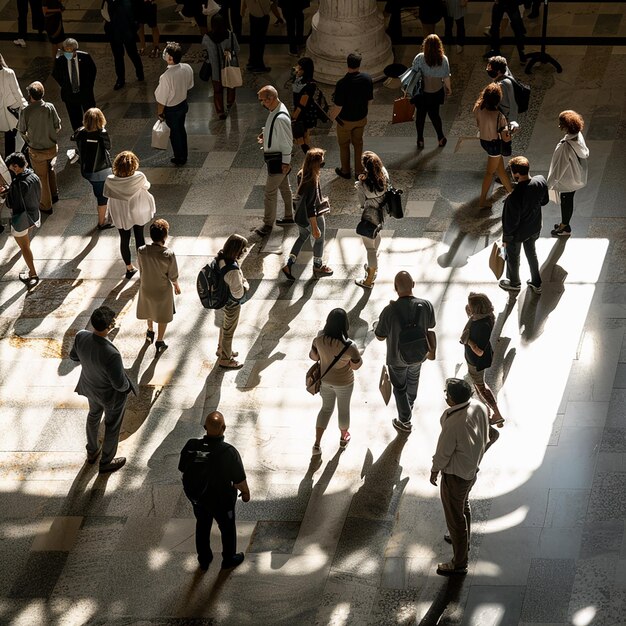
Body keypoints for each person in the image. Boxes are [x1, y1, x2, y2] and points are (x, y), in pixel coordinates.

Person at [430, 378, 489, 576]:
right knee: (463, 505)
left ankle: (459, 562)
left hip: (456, 475)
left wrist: (434, 470)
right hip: (471, 469)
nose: (445, 395)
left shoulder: (454, 422)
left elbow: (443, 452)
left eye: (447, 393)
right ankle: (464, 540)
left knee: (455, 518)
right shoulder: (479, 407)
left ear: (453, 400)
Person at [178, 410, 250, 571]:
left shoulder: (191, 446)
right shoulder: (229, 452)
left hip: (198, 499)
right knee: (227, 529)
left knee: (202, 525)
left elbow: (182, 468)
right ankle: (229, 558)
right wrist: (245, 493)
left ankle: (204, 559)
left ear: (204, 427)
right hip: (222, 501)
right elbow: (239, 481)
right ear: (224, 428)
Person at [70, 306, 135, 474]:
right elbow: (119, 384)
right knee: (112, 425)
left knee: (93, 416)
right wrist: (128, 388)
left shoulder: (81, 336)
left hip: (90, 387)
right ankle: (106, 461)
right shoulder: (111, 353)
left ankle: (92, 451)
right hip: (110, 396)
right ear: (109, 326)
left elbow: (73, 356)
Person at [375, 271, 436, 432]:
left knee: (399, 388)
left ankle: (405, 420)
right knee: (413, 381)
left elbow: (380, 336)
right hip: (419, 355)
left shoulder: (389, 311)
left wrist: (377, 326)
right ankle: (409, 404)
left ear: (395, 288)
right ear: (413, 284)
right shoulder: (426, 305)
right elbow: (431, 325)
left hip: (396, 359)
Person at [309, 309, 362, 455]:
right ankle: (343, 437)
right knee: (343, 409)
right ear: (345, 324)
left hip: (325, 381)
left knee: (326, 409)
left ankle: (317, 444)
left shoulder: (318, 340)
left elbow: (313, 357)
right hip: (344, 382)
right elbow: (356, 366)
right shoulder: (350, 346)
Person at [281, 148, 333, 280]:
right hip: (313, 216)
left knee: (302, 237)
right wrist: (315, 227)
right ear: (314, 164)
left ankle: (289, 264)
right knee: (320, 240)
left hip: (300, 215)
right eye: (320, 164)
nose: (321, 167)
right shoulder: (311, 181)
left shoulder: (301, 174)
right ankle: (318, 266)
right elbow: (311, 208)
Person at [500, 156, 548, 294]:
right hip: (535, 227)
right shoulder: (540, 181)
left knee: (513, 257)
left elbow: (511, 222)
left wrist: (506, 239)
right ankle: (536, 282)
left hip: (518, 233)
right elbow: (544, 201)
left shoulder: (514, 197)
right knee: (531, 253)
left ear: (516, 174)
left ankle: (514, 283)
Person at [103, 151, 156, 279]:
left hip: (120, 211)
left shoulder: (110, 180)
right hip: (137, 209)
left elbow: (106, 193)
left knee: (124, 239)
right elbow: (147, 186)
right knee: (139, 237)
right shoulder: (139, 177)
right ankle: (143, 267)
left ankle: (129, 267)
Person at [460, 292, 505, 427]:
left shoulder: (481, 326)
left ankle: (496, 413)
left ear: (477, 309)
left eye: (470, 307)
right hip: (477, 360)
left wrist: (467, 340)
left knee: (481, 387)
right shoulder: (486, 317)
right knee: (479, 385)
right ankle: (490, 410)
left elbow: (479, 351)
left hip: (475, 361)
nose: (468, 308)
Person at [137, 219, 180, 355]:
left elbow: (141, 268)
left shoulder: (142, 251)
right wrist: (176, 286)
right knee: (162, 314)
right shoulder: (168, 254)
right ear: (165, 236)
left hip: (146, 286)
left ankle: (150, 330)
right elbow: (173, 275)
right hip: (162, 290)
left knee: (149, 308)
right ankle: (160, 341)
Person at [255, 85, 294, 237]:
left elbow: (287, 142)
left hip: (278, 161)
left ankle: (267, 224)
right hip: (277, 159)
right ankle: (289, 216)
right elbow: (275, 131)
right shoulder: (276, 109)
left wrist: (285, 162)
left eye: (262, 100)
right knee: (285, 188)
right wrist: (266, 135)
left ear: (270, 99)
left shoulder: (281, 117)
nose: (261, 103)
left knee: (269, 193)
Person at [17, 81, 61, 214]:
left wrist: (29, 141)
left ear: (30, 95)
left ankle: (46, 205)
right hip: (52, 147)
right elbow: (57, 125)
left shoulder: (26, 111)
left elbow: (21, 130)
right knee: (51, 169)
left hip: (37, 151)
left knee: (42, 176)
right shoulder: (50, 107)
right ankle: (54, 194)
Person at [547, 110, 590, 238]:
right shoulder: (578, 135)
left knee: (566, 203)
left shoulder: (566, 145)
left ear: (567, 126)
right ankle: (563, 224)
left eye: (561, 123)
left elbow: (559, 169)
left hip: (567, 179)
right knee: (568, 200)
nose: (559, 126)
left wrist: (548, 186)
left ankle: (565, 227)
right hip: (576, 176)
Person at [0, 152, 41, 286]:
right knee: (26, 243)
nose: (11, 170)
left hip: (22, 219)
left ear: (16, 166)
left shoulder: (18, 183)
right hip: (34, 214)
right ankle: (31, 270)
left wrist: (7, 192)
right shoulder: (33, 175)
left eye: (11, 167)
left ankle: (33, 273)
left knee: (24, 247)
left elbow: (11, 204)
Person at [406, 34, 452, 150]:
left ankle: (420, 139)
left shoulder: (419, 57)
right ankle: (440, 138)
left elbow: (413, 73)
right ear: (439, 46)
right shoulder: (443, 59)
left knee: (420, 116)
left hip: (422, 93)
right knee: (435, 115)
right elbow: (446, 77)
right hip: (436, 92)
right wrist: (449, 88)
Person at [332, 53, 373, 179]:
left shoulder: (342, 83)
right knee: (358, 144)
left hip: (345, 121)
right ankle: (358, 171)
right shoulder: (367, 79)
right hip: (361, 119)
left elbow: (338, 107)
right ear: (359, 64)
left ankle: (345, 171)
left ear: (347, 64)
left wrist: (332, 116)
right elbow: (369, 100)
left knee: (344, 145)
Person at [473, 83, 513, 209]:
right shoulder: (499, 116)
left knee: (500, 170)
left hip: (484, 141)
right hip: (494, 145)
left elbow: (478, 122)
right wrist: (512, 132)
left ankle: (511, 193)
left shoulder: (478, 108)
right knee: (490, 173)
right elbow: (506, 138)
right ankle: (482, 201)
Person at [72, 108, 114, 229]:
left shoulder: (80, 132)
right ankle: (102, 222)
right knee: (102, 197)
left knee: (99, 191)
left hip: (86, 170)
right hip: (100, 171)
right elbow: (108, 146)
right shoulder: (102, 133)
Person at [155, 42, 194, 166]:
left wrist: (160, 113)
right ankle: (184, 153)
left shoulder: (166, 77)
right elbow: (190, 85)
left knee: (175, 133)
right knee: (181, 130)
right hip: (183, 104)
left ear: (170, 58)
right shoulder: (187, 67)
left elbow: (161, 99)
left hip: (172, 109)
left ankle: (180, 157)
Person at [355, 151, 389, 289]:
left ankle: (369, 278)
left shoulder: (363, 184)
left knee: (370, 249)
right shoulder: (384, 174)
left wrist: (360, 181)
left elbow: (362, 203)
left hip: (369, 216)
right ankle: (372, 265)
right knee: (376, 235)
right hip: (382, 213)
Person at [215, 234, 250, 369]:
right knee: (229, 331)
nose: (244, 252)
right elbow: (238, 293)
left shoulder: (221, 257)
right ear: (237, 250)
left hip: (221, 299)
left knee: (224, 327)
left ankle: (222, 349)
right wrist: (246, 284)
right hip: (231, 304)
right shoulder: (232, 271)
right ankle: (225, 358)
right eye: (243, 249)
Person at [51, 38, 98, 133]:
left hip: (85, 93)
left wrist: (88, 86)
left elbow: (92, 71)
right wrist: (66, 86)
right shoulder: (60, 60)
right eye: (65, 51)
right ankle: (79, 136)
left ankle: (93, 134)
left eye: (70, 51)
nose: (67, 53)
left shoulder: (85, 57)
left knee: (90, 117)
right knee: (75, 119)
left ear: (75, 50)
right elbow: (56, 74)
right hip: (70, 95)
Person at [203, 13, 240, 120]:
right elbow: (237, 49)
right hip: (229, 67)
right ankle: (230, 103)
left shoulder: (207, 38)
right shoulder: (231, 35)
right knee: (231, 86)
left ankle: (220, 112)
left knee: (217, 91)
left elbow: (206, 52)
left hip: (215, 70)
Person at [104, 0, 144, 91]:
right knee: (118, 57)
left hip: (127, 32)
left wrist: (134, 26)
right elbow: (105, 12)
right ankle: (120, 79)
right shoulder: (108, 1)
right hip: (114, 33)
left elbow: (136, 12)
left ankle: (140, 73)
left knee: (133, 54)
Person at [0, 55, 27, 158]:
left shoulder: (8, 73)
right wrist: (24, 106)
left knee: (10, 136)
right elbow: (16, 91)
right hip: (10, 111)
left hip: (7, 111)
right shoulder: (8, 73)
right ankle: (9, 161)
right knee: (11, 137)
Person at [291, 57, 317, 154]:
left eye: (300, 68)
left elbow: (302, 104)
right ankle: (308, 152)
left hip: (305, 112)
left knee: (303, 134)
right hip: (299, 109)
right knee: (300, 134)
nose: (297, 69)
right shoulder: (298, 79)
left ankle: (310, 154)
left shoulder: (310, 84)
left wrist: (295, 116)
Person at [486, 56, 520, 129]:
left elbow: (513, 103)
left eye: (490, 68)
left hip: (504, 119)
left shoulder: (504, 83)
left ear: (498, 71)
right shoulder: (502, 77)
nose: (488, 70)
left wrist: (512, 121)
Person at [242, 0, 273, 73]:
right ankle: (258, 65)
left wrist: (242, 10)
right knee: (260, 41)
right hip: (261, 15)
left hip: (252, 12)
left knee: (253, 39)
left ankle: (252, 62)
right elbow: (267, 4)